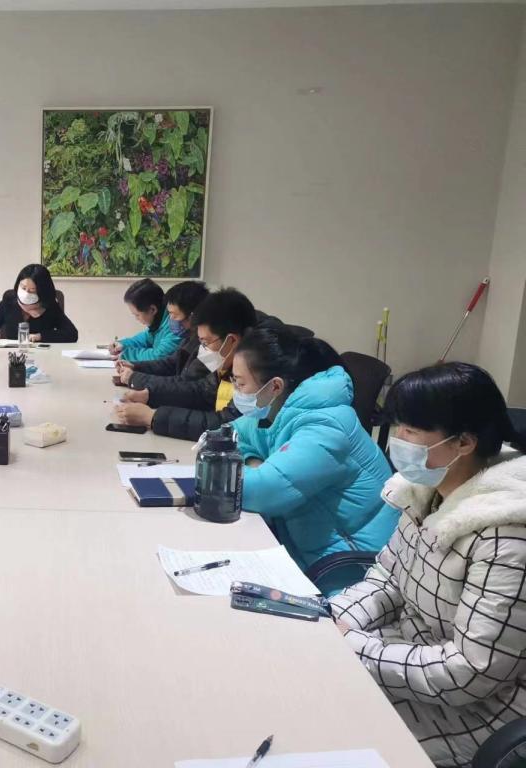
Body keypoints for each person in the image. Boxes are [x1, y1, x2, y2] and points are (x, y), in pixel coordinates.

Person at [329, 363, 526, 768]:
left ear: (464, 442)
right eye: (398, 426)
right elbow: (388, 577)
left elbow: (471, 672)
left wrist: (355, 647)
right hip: (410, 656)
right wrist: (333, 620)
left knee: (326, 730)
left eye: (411, 431)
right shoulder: (428, 488)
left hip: (480, 712)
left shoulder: (507, 537)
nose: (397, 441)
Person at [227, 328, 397, 592]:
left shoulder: (326, 427)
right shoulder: (283, 413)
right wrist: (252, 460)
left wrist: (216, 471)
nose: (235, 392)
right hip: (306, 554)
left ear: (274, 387)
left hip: (350, 578)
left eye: (240, 383)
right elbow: (233, 433)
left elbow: (264, 491)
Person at [115, 287, 281, 440]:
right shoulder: (232, 358)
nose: (203, 349)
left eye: (206, 342)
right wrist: (151, 394)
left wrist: (152, 417)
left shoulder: (259, 365)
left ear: (231, 340)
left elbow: (229, 424)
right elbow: (202, 391)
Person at [113, 280, 208, 389]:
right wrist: (135, 366)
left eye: (174, 315)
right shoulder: (190, 338)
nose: (170, 319)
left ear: (193, 317)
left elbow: (186, 384)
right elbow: (172, 363)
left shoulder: (206, 345)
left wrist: (135, 379)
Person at [0, 263, 78, 343]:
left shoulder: (49, 305)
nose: (26, 293)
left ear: (42, 292)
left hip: (42, 357)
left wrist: (40, 336)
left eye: (32, 290)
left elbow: (71, 333)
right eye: (23, 287)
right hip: (12, 357)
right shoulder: (10, 300)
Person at [109, 278, 184, 363]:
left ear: (152, 310)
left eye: (137, 315)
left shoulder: (176, 327)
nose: (136, 319)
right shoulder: (158, 323)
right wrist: (122, 344)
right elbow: (144, 338)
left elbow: (159, 356)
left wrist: (126, 355)